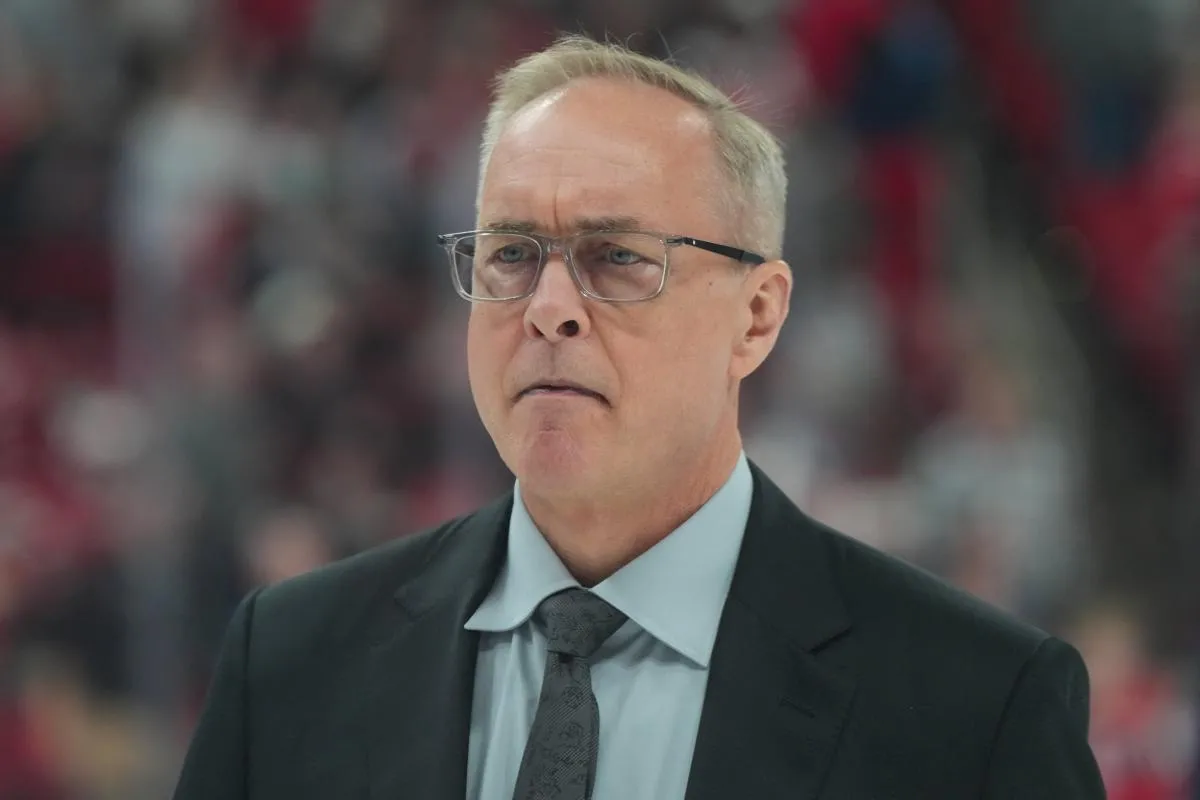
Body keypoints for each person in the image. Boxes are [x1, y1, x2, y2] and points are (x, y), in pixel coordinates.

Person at [172, 35, 1105, 799]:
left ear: (757, 316)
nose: (547, 306)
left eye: (616, 256)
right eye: (510, 253)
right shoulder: (288, 661)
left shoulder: (977, 709)